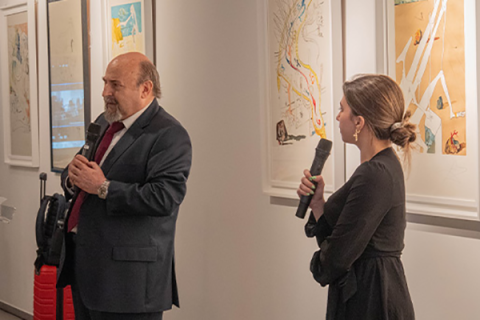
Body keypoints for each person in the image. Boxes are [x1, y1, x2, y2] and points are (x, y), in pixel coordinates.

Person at [58, 52, 192, 320]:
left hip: (128, 283)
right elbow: (84, 176)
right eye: (105, 82)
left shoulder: (169, 134)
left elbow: (164, 198)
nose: (105, 92)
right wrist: (71, 176)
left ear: (145, 89)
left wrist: (104, 187)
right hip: (87, 270)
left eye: (115, 85)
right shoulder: (103, 122)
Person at [297, 74, 415, 319]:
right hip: (371, 291)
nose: (338, 116)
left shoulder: (375, 173)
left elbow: (336, 258)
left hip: (371, 299)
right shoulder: (381, 167)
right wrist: (318, 205)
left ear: (359, 122)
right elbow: (344, 242)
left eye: (342, 109)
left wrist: (322, 263)